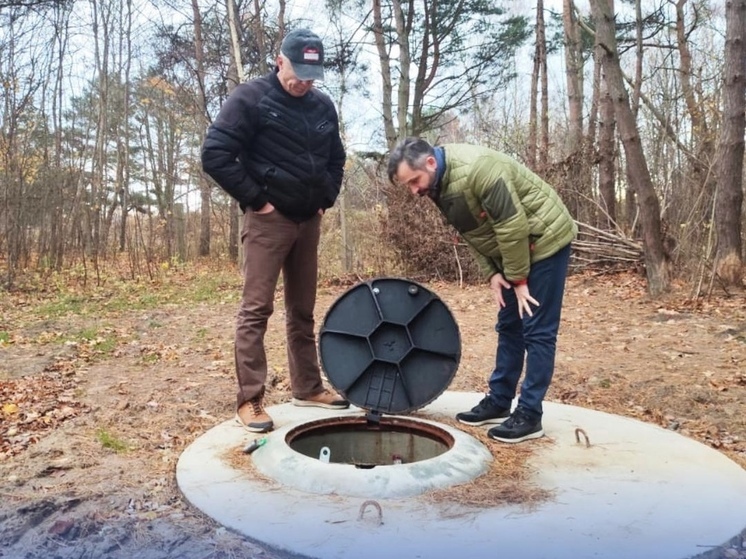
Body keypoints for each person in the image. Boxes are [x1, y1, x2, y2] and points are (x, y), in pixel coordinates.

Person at [201, 28, 349, 433]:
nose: (304, 81)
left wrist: (327, 197)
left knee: (302, 311)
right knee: (256, 310)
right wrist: (257, 200)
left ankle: (308, 386)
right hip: (268, 221)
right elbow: (214, 154)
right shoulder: (250, 98)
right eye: (298, 71)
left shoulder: (322, 106)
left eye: (311, 74)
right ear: (279, 60)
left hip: (309, 220)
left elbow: (337, 157)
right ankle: (250, 399)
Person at [387, 137, 577, 443]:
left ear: (430, 163)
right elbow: (473, 231)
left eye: (414, 181)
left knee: (537, 329)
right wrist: (492, 273)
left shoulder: (480, 170)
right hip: (513, 248)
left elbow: (512, 225)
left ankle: (530, 415)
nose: (414, 190)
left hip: (543, 240)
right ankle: (500, 400)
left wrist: (518, 280)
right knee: (508, 325)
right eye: (408, 185)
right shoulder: (440, 184)